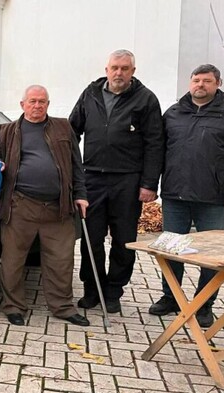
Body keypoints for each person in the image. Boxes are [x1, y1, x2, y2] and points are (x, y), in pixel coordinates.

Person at [69, 49, 163, 313]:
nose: (118, 73)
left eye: (124, 68)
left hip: (128, 181)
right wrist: (71, 170)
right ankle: (92, 289)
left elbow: (155, 143)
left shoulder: (146, 99)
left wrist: (149, 184)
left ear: (133, 71)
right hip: (93, 179)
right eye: (114, 68)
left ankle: (113, 291)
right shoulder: (90, 94)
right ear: (106, 69)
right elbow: (72, 130)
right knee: (91, 239)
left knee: (124, 240)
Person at [149, 64, 224, 327]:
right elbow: (158, 152)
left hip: (212, 198)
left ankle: (204, 304)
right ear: (190, 83)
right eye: (196, 80)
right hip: (175, 195)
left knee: (209, 255)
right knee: (171, 250)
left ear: (218, 84)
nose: (200, 85)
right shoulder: (174, 113)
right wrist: (151, 185)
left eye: (207, 81)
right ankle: (170, 297)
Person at [0, 85, 90, 327]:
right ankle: (13, 306)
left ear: (48, 104)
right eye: (33, 101)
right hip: (20, 205)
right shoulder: (8, 131)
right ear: (22, 104)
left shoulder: (63, 127)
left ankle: (63, 307)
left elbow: (76, 164)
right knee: (13, 259)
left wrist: (81, 194)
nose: (37, 106)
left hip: (58, 207)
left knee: (61, 259)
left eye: (42, 102)